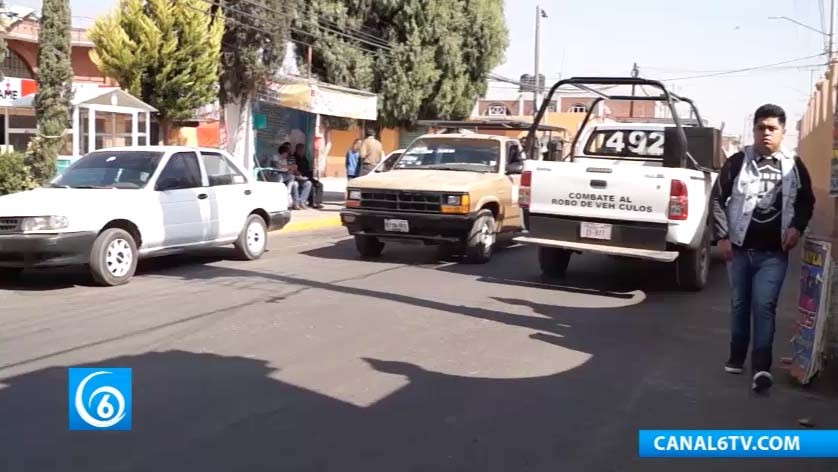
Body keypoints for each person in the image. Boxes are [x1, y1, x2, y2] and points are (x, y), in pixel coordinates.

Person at [712, 104, 815, 392]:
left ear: (783, 132)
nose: (766, 133)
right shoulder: (737, 162)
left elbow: (807, 201)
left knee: (764, 305)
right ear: (754, 130)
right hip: (740, 250)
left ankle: (761, 368)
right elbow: (718, 198)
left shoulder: (794, 165)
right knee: (740, 304)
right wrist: (721, 236)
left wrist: (797, 227)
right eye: (761, 127)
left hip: (774, 254)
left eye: (772, 128)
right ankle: (736, 356)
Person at [293, 143, 323, 209]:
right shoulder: (294, 157)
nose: (302, 151)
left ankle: (317, 202)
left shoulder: (304, 158)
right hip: (299, 176)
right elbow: (294, 169)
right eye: (300, 149)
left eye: (302, 149)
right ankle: (310, 202)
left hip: (307, 176)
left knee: (319, 184)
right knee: (310, 184)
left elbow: (307, 167)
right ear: (297, 149)